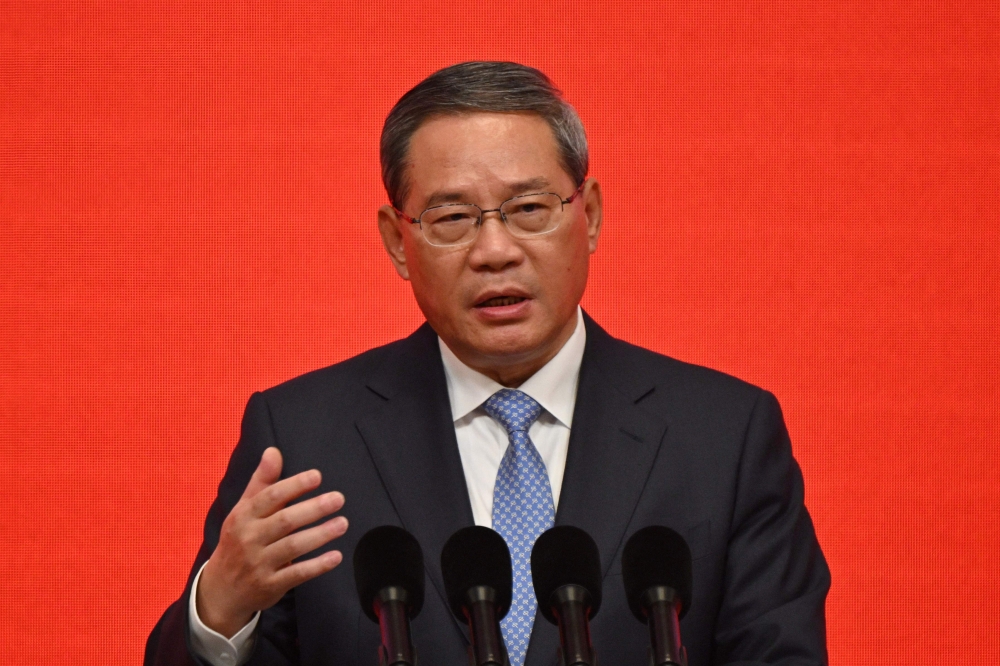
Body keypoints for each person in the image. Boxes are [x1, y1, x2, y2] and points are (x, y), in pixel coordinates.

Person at [145, 61, 830, 666]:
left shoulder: (724, 437)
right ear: (396, 241)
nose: (495, 250)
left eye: (530, 209)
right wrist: (221, 614)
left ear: (588, 215)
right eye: (452, 218)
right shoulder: (304, 438)